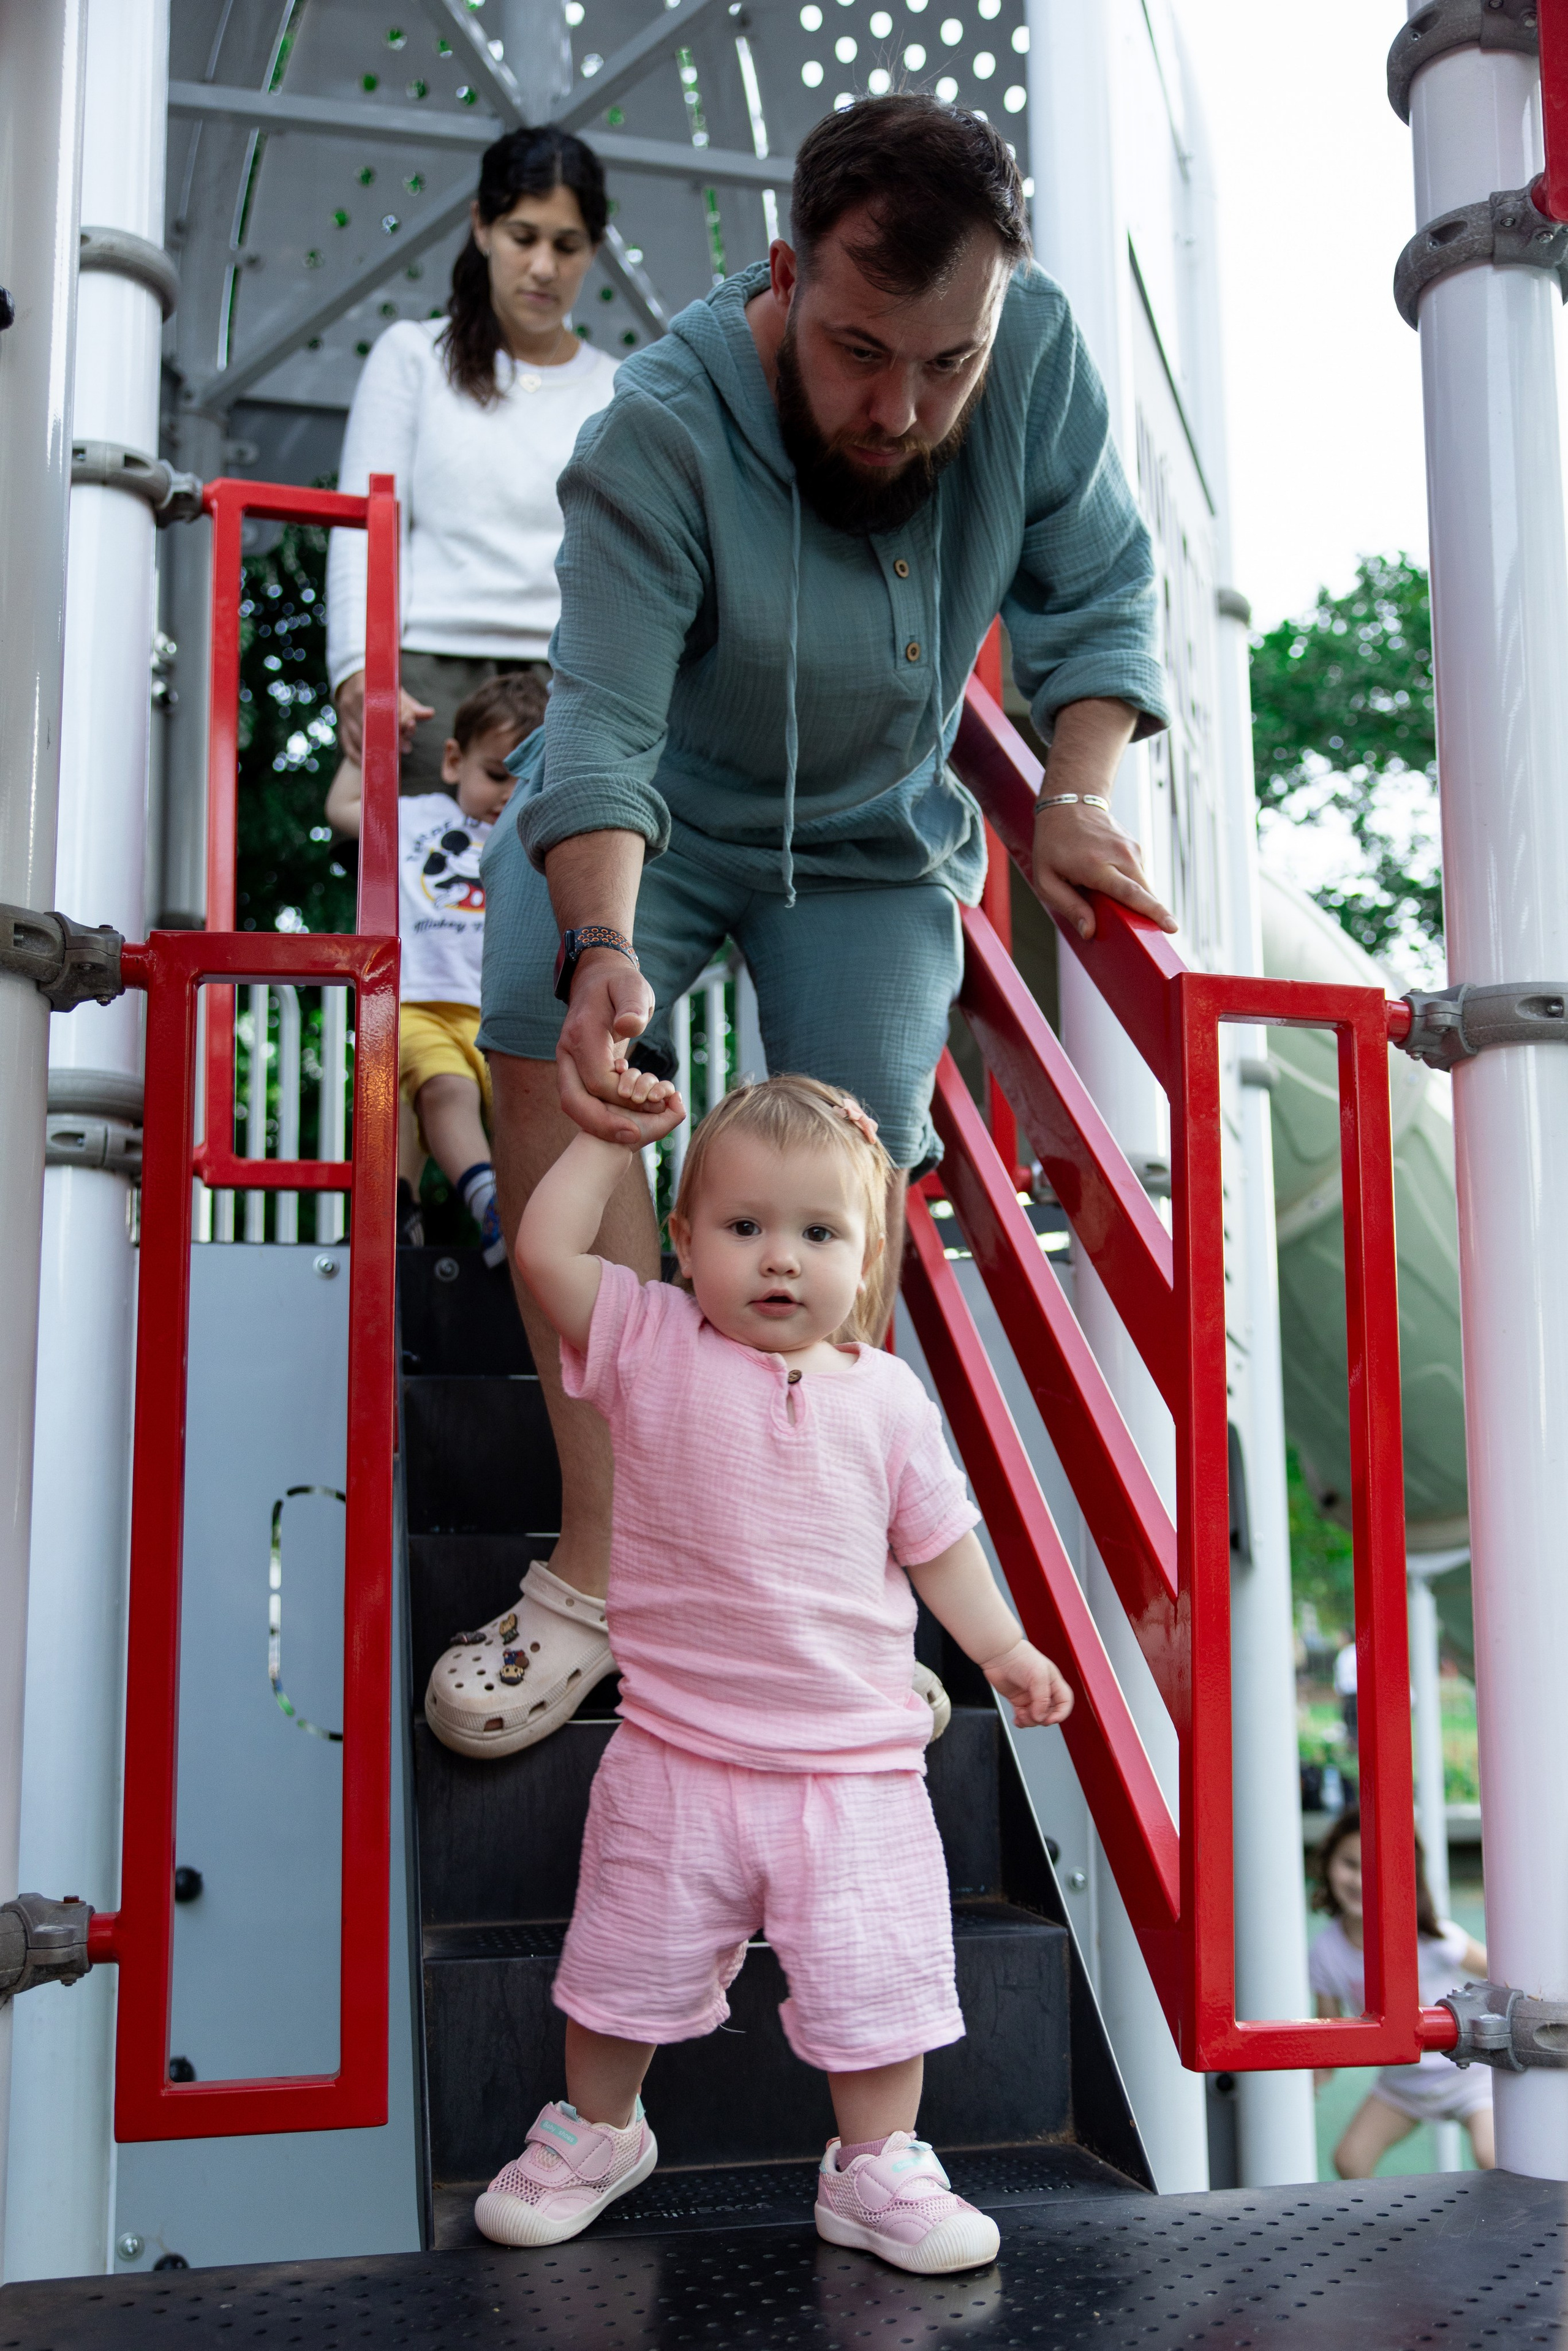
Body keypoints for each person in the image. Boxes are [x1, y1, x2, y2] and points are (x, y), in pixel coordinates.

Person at [462, 94, 1178, 1757]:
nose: (904, 409)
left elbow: (1098, 583)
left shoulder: (1037, 350)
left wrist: (1071, 796)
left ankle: (817, 1587)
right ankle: (604, 1563)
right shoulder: (658, 420)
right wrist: (598, 954)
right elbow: (606, 730)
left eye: (949, 362)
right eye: (863, 353)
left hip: (872, 839)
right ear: (784, 275)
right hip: (666, 812)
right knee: (539, 1032)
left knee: (854, 1175)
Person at [470, 1071, 1074, 2268]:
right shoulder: (649, 1341)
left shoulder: (889, 1400)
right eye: (742, 1227)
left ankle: (875, 2168)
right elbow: (542, 1255)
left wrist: (1000, 1646)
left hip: (850, 1772)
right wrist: (603, 1142)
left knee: (874, 1983)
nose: (777, 1258)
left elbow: (939, 1546)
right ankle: (599, 2127)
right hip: (677, 1753)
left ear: (866, 1257)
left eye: (816, 1231)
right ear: (682, 1242)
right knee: (618, 1969)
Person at [325, 121, 619, 796]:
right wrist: (357, 670)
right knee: (423, 896)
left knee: (567, 901)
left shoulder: (620, 387)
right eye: (524, 237)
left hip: (571, 686)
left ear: (593, 252)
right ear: (482, 227)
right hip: (427, 690)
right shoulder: (413, 358)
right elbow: (367, 524)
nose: (543, 266)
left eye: (566, 245)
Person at [328, 673, 541, 1261]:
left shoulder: (539, 839)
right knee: (445, 1092)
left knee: (532, 1116)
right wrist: (374, 739)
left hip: (506, 1014)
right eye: (497, 775)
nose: (509, 795)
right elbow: (344, 806)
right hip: (421, 1002)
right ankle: (490, 1207)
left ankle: (540, 1229)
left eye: (529, 782)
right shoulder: (422, 818)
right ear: (454, 762)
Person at [1309, 1807, 1493, 2177]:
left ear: (1404, 1875)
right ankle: (1385, 2237)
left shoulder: (1433, 1937)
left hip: (1469, 2077)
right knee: (1349, 2160)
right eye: (1349, 1863)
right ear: (1328, 1863)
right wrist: (1317, 2074)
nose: (1361, 1881)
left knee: (1492, 2157)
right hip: (1404, 2085)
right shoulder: (1326, 1951)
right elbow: (1327, 2024)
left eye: (1374, 1869)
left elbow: (1496, 1969)